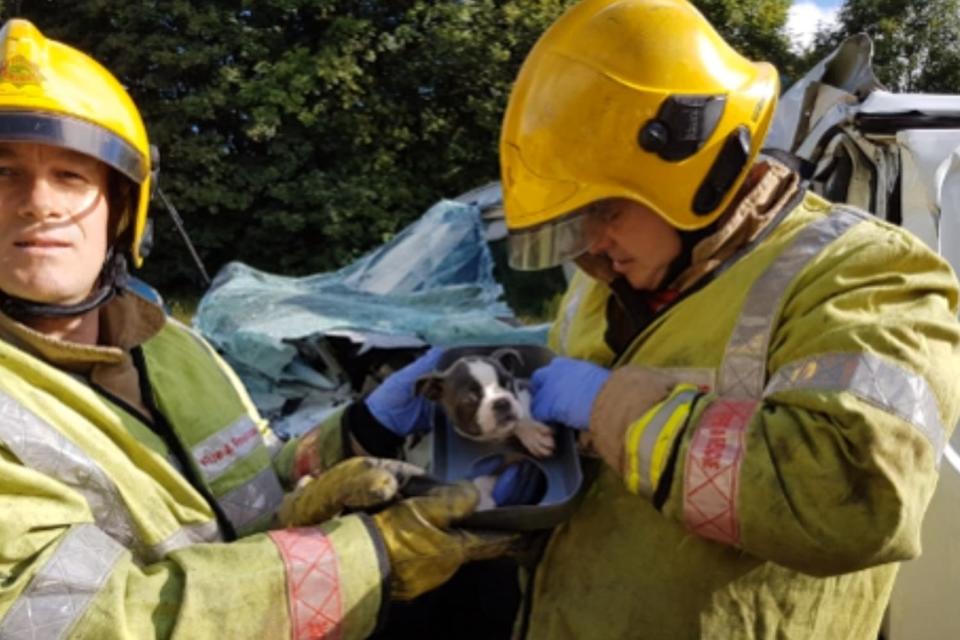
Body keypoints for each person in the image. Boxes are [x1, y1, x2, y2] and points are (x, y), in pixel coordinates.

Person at [0, 18, 513, 639]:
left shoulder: (172, 348)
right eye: (4, 175)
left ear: (122, 206)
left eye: (71, 175)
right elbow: (93, 624)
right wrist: (369, 555)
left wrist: (358, 430)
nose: (39, 202)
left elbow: (248, 483)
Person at [489, 0, 960, 637]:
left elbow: (852, 501)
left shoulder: (874, 275)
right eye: (572, 226)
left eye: (603, 212)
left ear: (696, 163)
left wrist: (614, 409)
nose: (588, 246)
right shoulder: (597, 286)